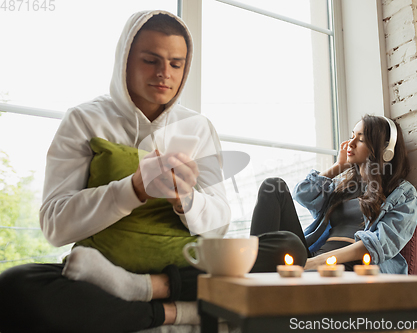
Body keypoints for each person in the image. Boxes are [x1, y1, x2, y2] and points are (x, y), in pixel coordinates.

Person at [0, 10, 306, 333]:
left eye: (176, 64)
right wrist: (134, 189)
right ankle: (179, 311)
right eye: (151, 60)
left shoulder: (198, 128)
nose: (165, 74)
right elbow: (55, 225)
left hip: (180, 269)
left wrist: (185, 199)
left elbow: (218, 224)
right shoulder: (84, 120)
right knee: (14, 286)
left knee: (288, 248)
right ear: (125, 60)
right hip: (104, 271)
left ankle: (149, 291)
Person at [250, 114, 417, 274]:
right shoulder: (343, 185)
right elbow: (303, 195)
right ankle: (251, 262)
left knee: (289, 245)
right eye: (351, 136)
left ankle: (252, 271)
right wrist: (338, 166)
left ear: (386, 150)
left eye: (360, 139)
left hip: (352, 266)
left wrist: (317, 262)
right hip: (313, 257)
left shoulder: (404, 194)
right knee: (273, 186)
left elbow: (379, 245)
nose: (350, 144)